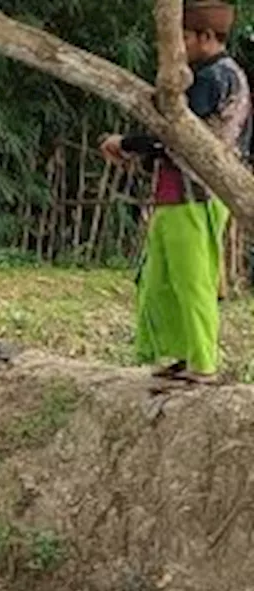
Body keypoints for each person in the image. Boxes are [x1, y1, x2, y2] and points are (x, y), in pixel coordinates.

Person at [99, 0, 251, 385]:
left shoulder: (213, 77)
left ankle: (203, 361)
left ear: (205, 36)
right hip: (177, 190)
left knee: (191, 277)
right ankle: (182, 354)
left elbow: (173, 133)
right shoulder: (214, 75)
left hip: (197, 193)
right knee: (160, 278)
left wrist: (126, 144)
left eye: (182, 36)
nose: (177, 46)